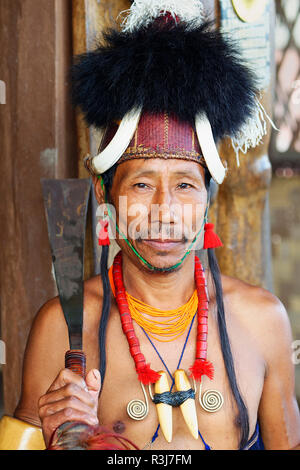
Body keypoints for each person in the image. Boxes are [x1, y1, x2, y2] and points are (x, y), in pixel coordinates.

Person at [12, 1, 300, 450]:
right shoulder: (64, 327)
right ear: (105, 193)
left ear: (208, 200)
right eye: (142, 184)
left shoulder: (263, 321)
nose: (165, 210)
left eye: (185, 185)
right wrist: (58, 439)